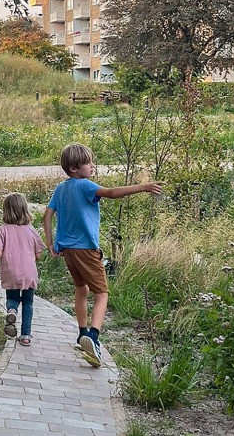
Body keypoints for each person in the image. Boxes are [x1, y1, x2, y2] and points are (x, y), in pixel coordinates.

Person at [43, 143, 162, 368]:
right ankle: (94, 336)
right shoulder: (85, 185)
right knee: (102, 293)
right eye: (88, 163)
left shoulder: (61, 189)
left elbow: (47, 214)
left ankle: (82, 334)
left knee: (81, 289)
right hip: (87, 250)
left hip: (68, 250)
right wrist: (143, 187)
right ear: (74, 168)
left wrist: (50, 243)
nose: (92, 166)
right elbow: (111, 193)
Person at [0, 192, 46, 346]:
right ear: (25, 210)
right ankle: (25, 336)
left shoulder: (1, 230)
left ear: (5, 211)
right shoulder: (32, 231)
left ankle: (11, 311)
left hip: (11, 272)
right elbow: (39, 255)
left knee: (12, 299)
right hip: (29, 273)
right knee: (28, 303)